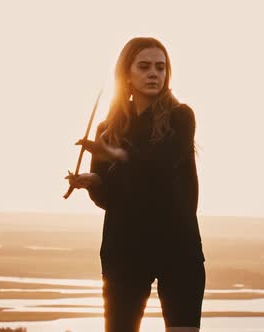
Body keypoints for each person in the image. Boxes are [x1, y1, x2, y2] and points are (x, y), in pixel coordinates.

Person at [65, 37, 205, 332]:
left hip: (178, 248)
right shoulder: (108, 128)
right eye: (144, 67)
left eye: (160, 67)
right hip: (124, 251)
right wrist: (93, 182)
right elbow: (109, 198)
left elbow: (160, 165)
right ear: (126, 73)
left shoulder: (181, 117)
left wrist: (114, 154)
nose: (154, 73)